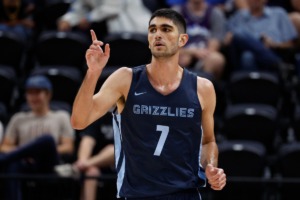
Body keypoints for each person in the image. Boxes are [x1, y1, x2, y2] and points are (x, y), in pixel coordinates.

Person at [71, 8, 226, 199]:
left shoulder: (202, 88)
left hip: (185, 193)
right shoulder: (125, 79)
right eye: (152, 30)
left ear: (182, 40)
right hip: (137, 194)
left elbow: (208, 141)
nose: (157, 34)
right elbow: (79, 120)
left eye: (166, 29)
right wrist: (93, 72)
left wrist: (211, 167)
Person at [0, 75, 75, 200]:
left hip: (49, 163)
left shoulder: (61, 116)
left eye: (37, 93)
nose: (33, 97)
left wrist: (35, 152)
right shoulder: (18, 118)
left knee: (47, 140)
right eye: (30, 93)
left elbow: (68, 147)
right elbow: (5, 146)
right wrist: (25, 154)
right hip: (25, 163)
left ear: (48, 95)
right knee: (13, 165)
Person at [224, 0, 298, 72]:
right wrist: (228, 38)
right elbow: (226, 41)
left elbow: (291, 45)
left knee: (240, 39)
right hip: (241, 58)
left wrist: (275, 45)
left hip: (273, 52)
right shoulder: (238, 17)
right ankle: (277, 64)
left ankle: (274, 62)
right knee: (246, 54)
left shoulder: (278, 14)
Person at [56, 115, 115, 200]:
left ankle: (77, 167)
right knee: (91, 172)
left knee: (113, 149)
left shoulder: (129, 116)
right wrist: (82, 161)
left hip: (122, 164)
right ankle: (81, 164)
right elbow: (88, 140)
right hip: (97, 164)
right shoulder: (99, 115)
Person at [171, 0, 227, 80]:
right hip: (182, 54)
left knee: (217, 59)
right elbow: (170, 45)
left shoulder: (215, 13)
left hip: (204, 56)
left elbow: (214, 46)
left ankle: (205, 89)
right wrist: (190, 52)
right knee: (171, 57)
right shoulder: (176, 13)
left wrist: (197, 53)